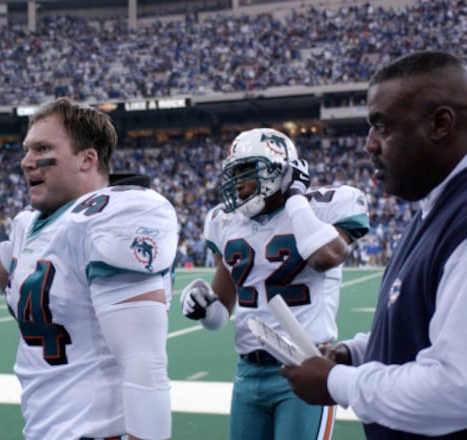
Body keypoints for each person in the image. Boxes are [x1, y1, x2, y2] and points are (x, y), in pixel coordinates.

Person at [0, 97, 178, 440]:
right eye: (26, 149)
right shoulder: (34, 226)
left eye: (41, 148)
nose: (26, 161)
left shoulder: (117, 215)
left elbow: (143, 361)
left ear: (88, 159)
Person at [280, 51, 467, 438]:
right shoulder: (434, 207)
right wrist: (358, 352)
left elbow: (456, 389)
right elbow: (426, 330)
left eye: (382, 127)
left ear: (440, 124)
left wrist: (336, 382)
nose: (369, 146)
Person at [180, 128, 369, 440]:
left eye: (246, 172)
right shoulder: (224, 222)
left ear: (279, 171)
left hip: (305, 364)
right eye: (234, 173)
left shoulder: (324, 206)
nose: (237, 183)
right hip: (248, 371)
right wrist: (201, 303)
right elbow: (219, 317)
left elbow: (326, 256)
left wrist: (295, 198)